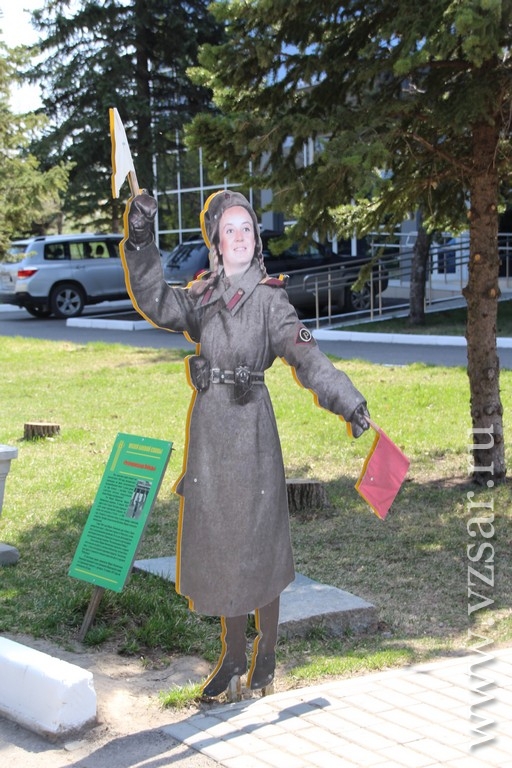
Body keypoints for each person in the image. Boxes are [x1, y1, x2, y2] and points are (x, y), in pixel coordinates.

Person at [121, 189, 370, 697]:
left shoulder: (271, 300)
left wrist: (347, 399)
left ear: (256, 240)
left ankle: (267, 654)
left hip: (253, 431)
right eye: (229, 229)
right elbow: (154, 300)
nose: (239, 236)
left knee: (260, 543)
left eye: (247, 229)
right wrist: (141, 237)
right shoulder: (201, 296)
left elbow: (307, 356)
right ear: (216, 240)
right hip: (211, 435)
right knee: (222, 544)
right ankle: (233, 656)